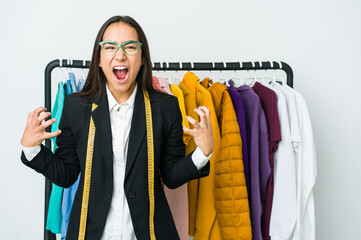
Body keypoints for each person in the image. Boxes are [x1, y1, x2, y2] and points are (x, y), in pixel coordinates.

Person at [20, 15, 214, 240]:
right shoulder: (76, 106)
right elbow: (67, 174)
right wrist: (31, 148)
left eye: (130, 47)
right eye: (110, 46)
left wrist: (203, 152)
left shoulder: (166, 107)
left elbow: (171, 175)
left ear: (142, 58)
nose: (120, 54)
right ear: (99, 59)